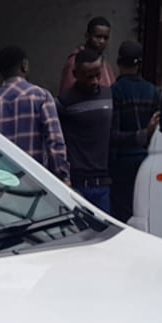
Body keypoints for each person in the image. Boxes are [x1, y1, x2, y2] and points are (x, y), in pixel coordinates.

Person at [0, 45, 68, 183]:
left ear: (1, 71)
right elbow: (55, 142)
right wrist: (63, 177)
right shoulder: (41, 97)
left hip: (3, 185)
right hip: (37, 184)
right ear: (24, 66)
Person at [56, 47, 113, 214]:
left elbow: (115, 136)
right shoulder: (64, 102)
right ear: (75, 74)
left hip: (103, 185)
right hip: (76, 185)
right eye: (89, 77)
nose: (95, 81)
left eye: (98, 75)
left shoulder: (109, 97)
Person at [109, 40, 159, 222]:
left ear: (119, 63)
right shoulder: (153, 91)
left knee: (121, 216)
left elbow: (112, 135)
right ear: (139, 64)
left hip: (121, 165)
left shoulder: (115, 91)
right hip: (146, 160)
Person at [58, 16, 115, 97]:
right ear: (87, 36)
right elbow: (66, 95)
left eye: (105, 38)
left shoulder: (104, 63)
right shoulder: (75, 62)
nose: (102, 41)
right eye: (98, 36)